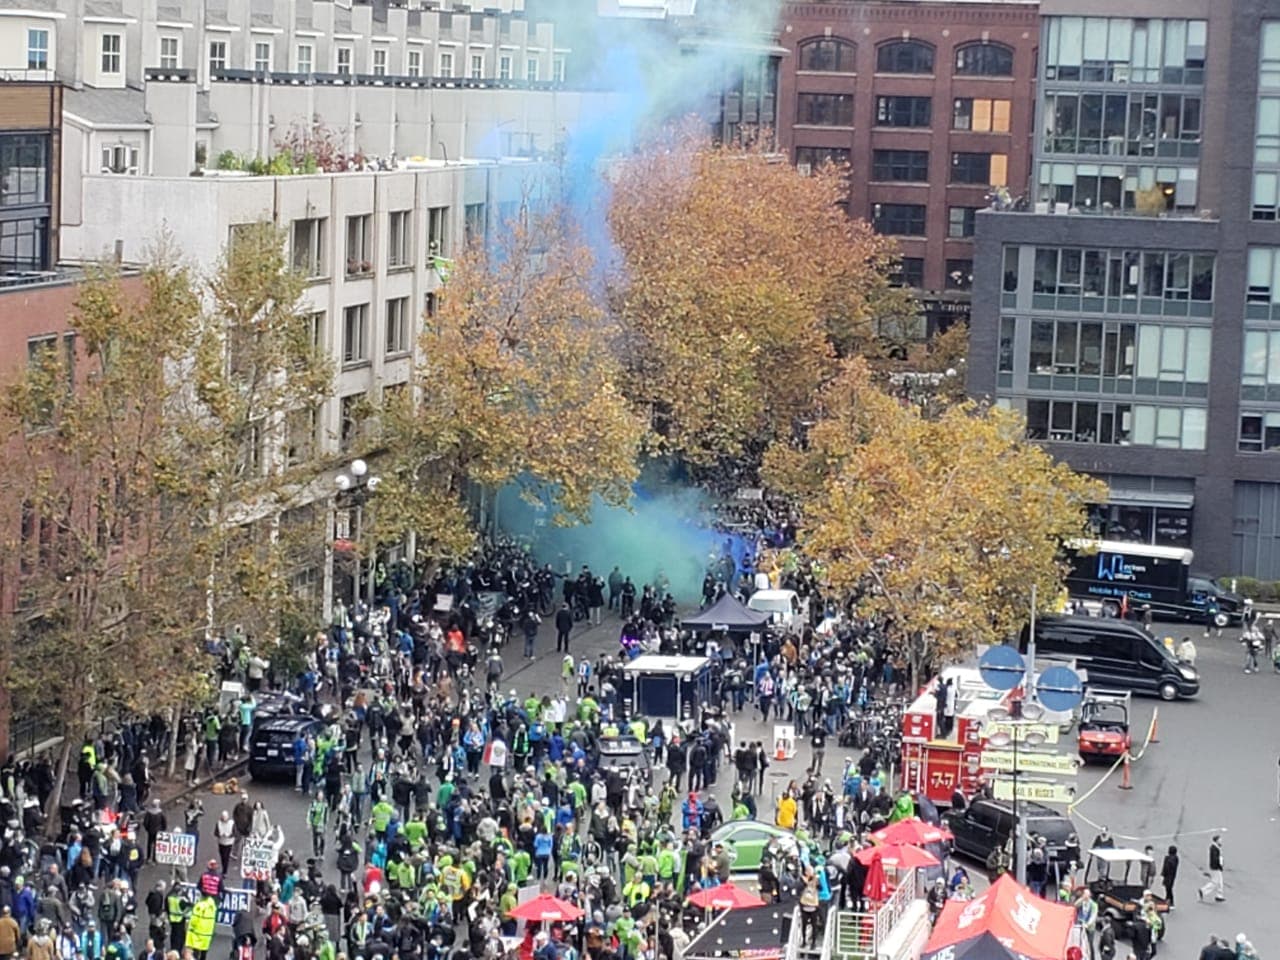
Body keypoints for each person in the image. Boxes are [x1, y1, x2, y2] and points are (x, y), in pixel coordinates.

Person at [1204, 835, 1225, 902]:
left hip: (1216, 867)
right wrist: (1219, 865)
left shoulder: (1215, 847)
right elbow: (1215, 859)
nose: (1221, 841)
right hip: (1215, 868)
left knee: (1219, 882)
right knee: (1215, 882)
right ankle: (1203, 891)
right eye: (1220, 840)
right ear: (1217, 840)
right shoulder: (1214, 848)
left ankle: (1219, 895)